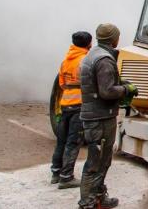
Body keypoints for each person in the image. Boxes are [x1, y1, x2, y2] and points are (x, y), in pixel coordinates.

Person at [77, 23, 139, 209]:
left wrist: (119, 82)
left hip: (95, 116)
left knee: (102, 160)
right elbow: (106, 91)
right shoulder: (104, 59)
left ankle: (97, 197)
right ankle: (88, 203)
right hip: (100, 118)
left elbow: (101, 84)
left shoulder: (93, 54)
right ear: (114, 39)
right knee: (96, 162)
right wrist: (126, 89)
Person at [50, 31, 91, 189]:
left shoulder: (65, 61)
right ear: (88, 44)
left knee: (62, 140)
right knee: (73, 142)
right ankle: (66, 177)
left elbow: (61, 84)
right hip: (79, 105)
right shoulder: (85, 60)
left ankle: (55, 172)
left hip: (64, 104)